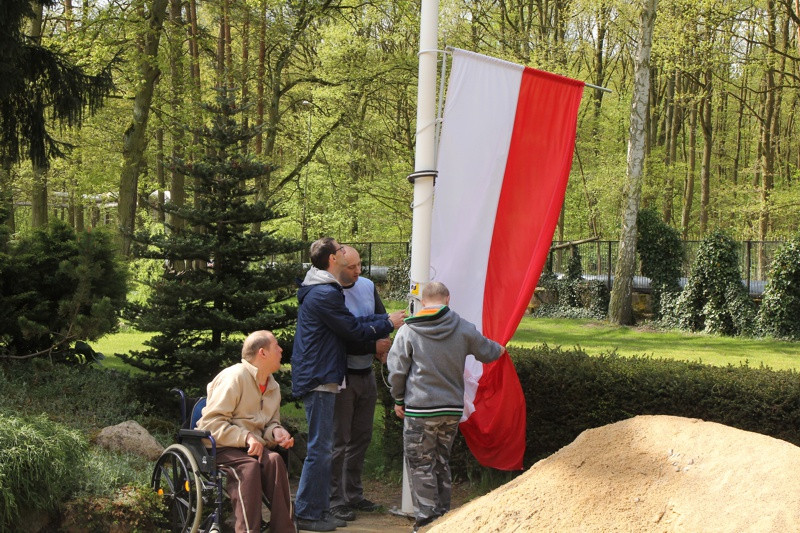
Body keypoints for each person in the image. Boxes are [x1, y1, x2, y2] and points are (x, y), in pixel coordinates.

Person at [292, 237, 406, 532]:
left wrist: (384, 318)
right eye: (341, 249)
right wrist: (387, 324)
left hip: (323, 376)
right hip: (320, 378)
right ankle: (307, 513)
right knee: (320, 449)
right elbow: (352, 329)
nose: (345, 251)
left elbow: (352, 321)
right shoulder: (324, 293)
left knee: (322, 447)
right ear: (332, 259)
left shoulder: (323, 289)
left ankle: (317, 510)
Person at [387, 282, 504, 531]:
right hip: (451, 409)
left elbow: (397, 369)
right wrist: (502, 347)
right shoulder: (463, 327)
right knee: (441, 461)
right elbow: (489, 352)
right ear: (448, 299)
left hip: (420, 408)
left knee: (421, 464)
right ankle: (444, 519)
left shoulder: (409, 330)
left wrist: (398, 398)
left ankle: (427, 521)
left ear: (423, 301)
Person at [196, 330, 296, 533]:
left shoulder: (273, 386)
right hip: (221, 446)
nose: (281, 350)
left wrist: (276, 432)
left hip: (251, 447)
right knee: (248, 468)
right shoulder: (234, 377)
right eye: (276, 346)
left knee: (275, 460)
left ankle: (284, 529)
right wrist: (246, 437)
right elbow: (210, 424)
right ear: (262, 352)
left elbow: (269, 423)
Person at [329, 246, 390, 521]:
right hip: (343, 377)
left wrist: (383, 346)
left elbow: (382, 319)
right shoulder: (330, 293)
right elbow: (344, 334)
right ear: (337, 265)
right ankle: (334, 499)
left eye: (359, 265)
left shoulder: (367, 285)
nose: (358, 271)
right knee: (339, 440)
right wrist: (371, 345)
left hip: (366, 374)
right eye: (352, 267)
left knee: (362, 436)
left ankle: (353, 494)